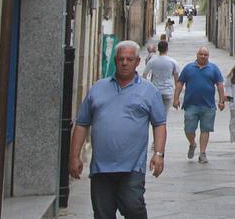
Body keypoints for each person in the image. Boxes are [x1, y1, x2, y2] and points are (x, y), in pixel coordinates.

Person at [69, 40, 167, 219]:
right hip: (101, 168)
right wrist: (74, 156)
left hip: (132, 167)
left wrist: (159, 154)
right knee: (102, 214)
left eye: (129, 59)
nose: (124, 63)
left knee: (133, 208)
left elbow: (159, 124)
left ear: (138, 62)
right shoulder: (98, 88)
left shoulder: (149, 91)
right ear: (115, 60)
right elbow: (82, 123)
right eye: (121, 59)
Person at [173, 46, 225, 163]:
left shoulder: (213, 68)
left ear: (208, 56)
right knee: (188, 129)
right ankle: (192, 143)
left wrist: (222, 101)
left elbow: (220, 85)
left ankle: (202, 153)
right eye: (201, 54)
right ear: (197, 55)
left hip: (208, 105)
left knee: (205, 129)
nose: (203, 56)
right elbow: (180, 83)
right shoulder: (188, 68)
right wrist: (176, 98)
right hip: (191, 104)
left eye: (205, 54)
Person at [143, 40, 180, 110]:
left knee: (155, 114)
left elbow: (144, 76)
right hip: (167, 92)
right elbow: (177, 81)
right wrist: (176, 98)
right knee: (164, 115)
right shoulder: (173, 62)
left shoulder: (152, 61)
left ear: (158, 49)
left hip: (155, 91)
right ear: (167, 49)